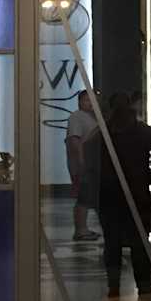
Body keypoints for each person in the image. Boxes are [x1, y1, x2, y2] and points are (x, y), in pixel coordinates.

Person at [95, 92, 151, 301]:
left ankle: (113, 286)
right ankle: (144, 285)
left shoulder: (104, 132)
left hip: (109, 193)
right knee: (140, 241)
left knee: (112, 242)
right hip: (138, 193)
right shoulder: (142, 131)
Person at [65, 90, 99, 242]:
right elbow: (74, 140)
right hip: (83, 164)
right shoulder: (77, 117)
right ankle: (80, 230)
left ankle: (83, 228)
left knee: (87, 195)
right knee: (83, 196)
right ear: (80, 102)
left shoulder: (93, 117)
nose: (90, 103)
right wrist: (81, 160)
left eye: (93, 100)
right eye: (87, 100)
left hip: (91, 163)